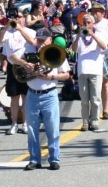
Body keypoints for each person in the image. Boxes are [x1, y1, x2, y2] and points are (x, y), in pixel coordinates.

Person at [9, 28, 70, 170]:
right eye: (39, 40)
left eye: (44, 40)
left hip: (50, 94)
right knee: (32, 129)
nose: (41, 43)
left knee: (52, 128)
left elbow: (66, 75)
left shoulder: (56, 51)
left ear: (50, 40)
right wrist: (24, 63)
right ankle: (34, 159)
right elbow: (12, 57)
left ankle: (54, 159)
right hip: (32, 94)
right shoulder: (29, 49)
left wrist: (51, 77)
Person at [0, 13, 32, 135]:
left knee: (26, 97)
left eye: (20, 16)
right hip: (12, 67)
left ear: (24, 18)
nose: (17, 19)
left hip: (26, 66)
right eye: (15, 17)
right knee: (14, 97)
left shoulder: (29, 31)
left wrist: (20, 29)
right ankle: (14, 123)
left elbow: (32, 42)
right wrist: (5, 28)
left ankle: (26, 123)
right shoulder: (8, 32)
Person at [71, 14, 108, 132]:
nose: (86, 24)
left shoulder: (99, 34)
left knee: (95, 98)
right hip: (82, 70)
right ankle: (85, 122)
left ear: (93, 24)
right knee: (84, 99)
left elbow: (103, 47)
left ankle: (95, 121)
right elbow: (73, 49)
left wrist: (93, 35)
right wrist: (78, 35)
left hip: (95, 70)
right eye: (85, 22)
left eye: (89, 22)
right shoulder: (78, 36)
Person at [90, 3, 108, 120]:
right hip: (91, 57)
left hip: (105, 56)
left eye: (96, 11)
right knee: (92, 85)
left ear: (102, 13)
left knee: (104, 84)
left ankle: (105, 110)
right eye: (92, 11)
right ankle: (93, 111)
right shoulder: (88, 24)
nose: (94, 13)